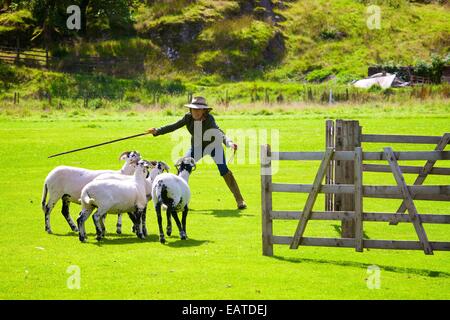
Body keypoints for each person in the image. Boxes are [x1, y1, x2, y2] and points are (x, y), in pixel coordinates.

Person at [147, 96, 247, 209]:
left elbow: (219, 133)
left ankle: (240, 200)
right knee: (184, 166)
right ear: (190, 110)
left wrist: (229, 143)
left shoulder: (209, 119)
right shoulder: (188, 118)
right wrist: (157, 131)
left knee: (224, 170)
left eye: (199, 109)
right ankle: (174, 200)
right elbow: (173, 126)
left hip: (214, 146)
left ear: (204, 110)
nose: (196, 112)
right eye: (194, 109)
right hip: (197, 147)